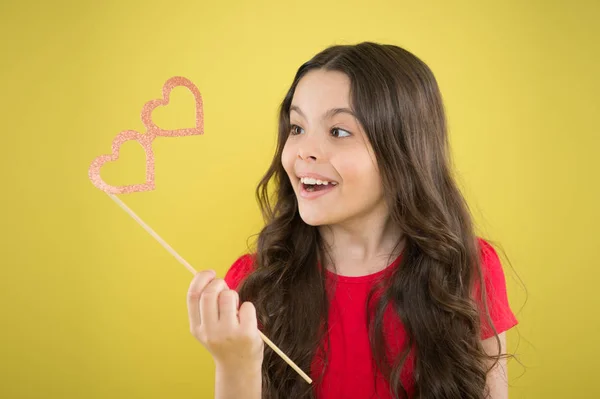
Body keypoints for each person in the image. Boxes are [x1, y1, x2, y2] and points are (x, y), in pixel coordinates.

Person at [186, 42, 518, 399]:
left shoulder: (467, 270)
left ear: (403, 150)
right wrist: (235, 366)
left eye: (338, 132)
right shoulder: (256, 285)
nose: (303, 150)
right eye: (297, 128)